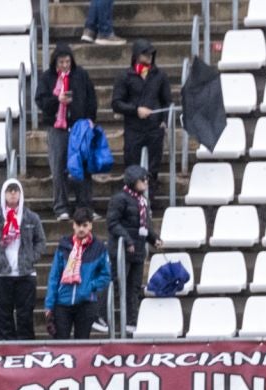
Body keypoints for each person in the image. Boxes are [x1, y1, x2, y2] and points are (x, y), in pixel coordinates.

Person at [0, 179, 47, 340]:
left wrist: (32, 257)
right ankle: (6, 354)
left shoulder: (31, 217)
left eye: (16, 190)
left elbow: (41, 241)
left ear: (21, 193)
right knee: (3, 317)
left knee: (25, 317)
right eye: (9, 190)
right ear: (4, 194)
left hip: (25, 274)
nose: (13, 194)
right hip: (1, 274)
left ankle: (26, 354)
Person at [36, 44, 97, 220]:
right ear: (55, 62)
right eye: (61, 62)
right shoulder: (47, 78)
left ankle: (84, 206)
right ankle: (61, 206)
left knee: (83, 167)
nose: (65, 65)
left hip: (79, 126)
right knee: (58, 167)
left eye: (67, 61)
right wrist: (57, 100)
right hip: (57, 128)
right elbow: (41, 101)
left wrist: (91, 119)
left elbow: (91, 98)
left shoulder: (81, 75)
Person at [106, 166, 159, 330]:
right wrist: (128, 241)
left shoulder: (142, 201)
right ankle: (105, 316)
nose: (146, 182)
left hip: (138, 251)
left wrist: (154, 238)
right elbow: (112, 223)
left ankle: (131, 321)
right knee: (117, 284)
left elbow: (144, 225)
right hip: (123, 250)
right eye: (142, 179)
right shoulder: (120, 199)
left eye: (146, 179)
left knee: (134, 287)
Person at [45, 210, 111, 340]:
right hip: (62, 302)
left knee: (82, 342)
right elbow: (54, 277)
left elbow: (106, 275)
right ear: (73, 225)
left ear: (91, 226)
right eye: (78, 225)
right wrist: (49, 304)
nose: (81, 229)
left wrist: (90, 286)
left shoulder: (99, 248)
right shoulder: (64, 246)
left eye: (85, 225)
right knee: (60, 342)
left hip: (86, 303)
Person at [112, 40, 171, 172]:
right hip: (134, 128)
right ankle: (133, 192)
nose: (149, 56)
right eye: (145, 54)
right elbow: (116, 103)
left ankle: (151, 192)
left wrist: (164, 121)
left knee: (153, 168)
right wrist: (135, 110)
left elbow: (167, 101)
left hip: (154, 128)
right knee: (132, 167)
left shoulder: (160, 76)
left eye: (151, 53)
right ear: (137, 55)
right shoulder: (125, 76)